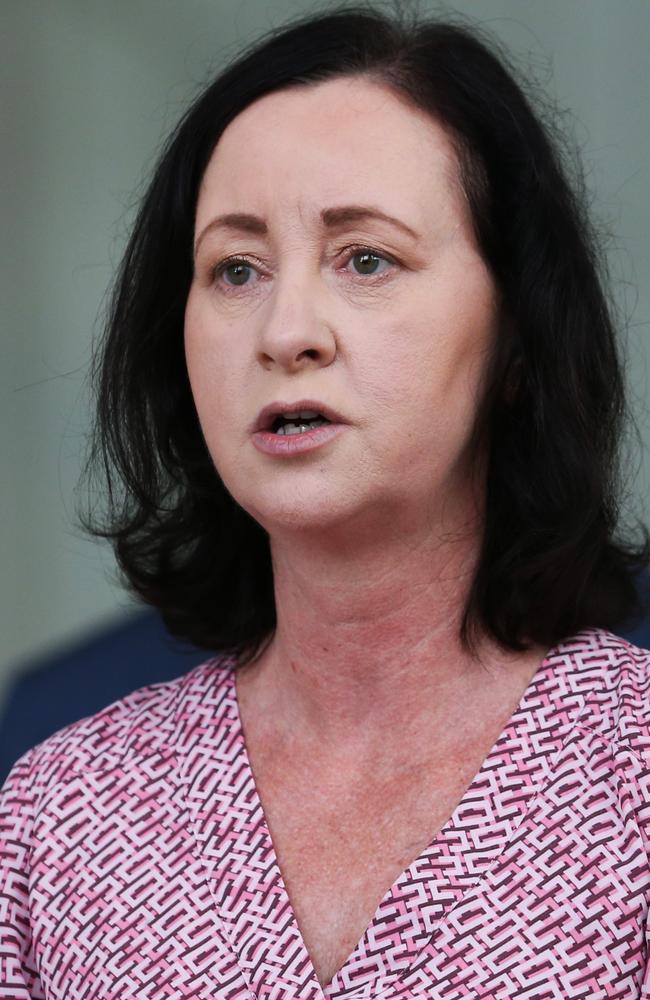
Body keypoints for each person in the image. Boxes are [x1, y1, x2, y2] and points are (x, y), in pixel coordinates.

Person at [1, 4, 649, 997]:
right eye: (236, 269)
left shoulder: (630, 773)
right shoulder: (62, 813)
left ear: (516, 338)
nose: (285, 330)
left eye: (365, 259)